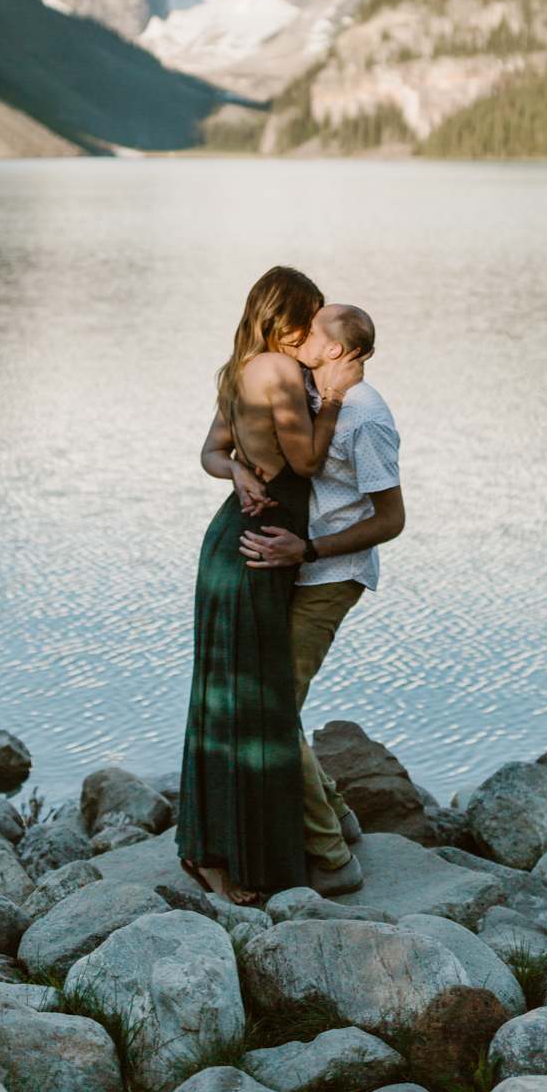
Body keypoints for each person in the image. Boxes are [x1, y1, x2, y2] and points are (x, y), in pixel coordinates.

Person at [178, 265, 359, 906]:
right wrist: (334, 397)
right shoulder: (280, 373)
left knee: (226, 700)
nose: (314, 329)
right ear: (286, 317)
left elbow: (208, 451)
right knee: (256, 704)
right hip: (257, 552)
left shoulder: (237, 369)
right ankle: (233, 860)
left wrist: (232, 470)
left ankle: (214, 847)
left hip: (237, 544)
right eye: (308, 317)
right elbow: (306, 461)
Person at [226, 301, 405, 896]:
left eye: (315, 325)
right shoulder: (305, 386)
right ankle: (342, 819)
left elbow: (392, 520)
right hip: (293, 571)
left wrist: (307, 551)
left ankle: (332, 859)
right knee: (278, 701)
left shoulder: (367, 417)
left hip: (331, 576)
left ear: (332, 348)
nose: (301, 331)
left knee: (274, 708)